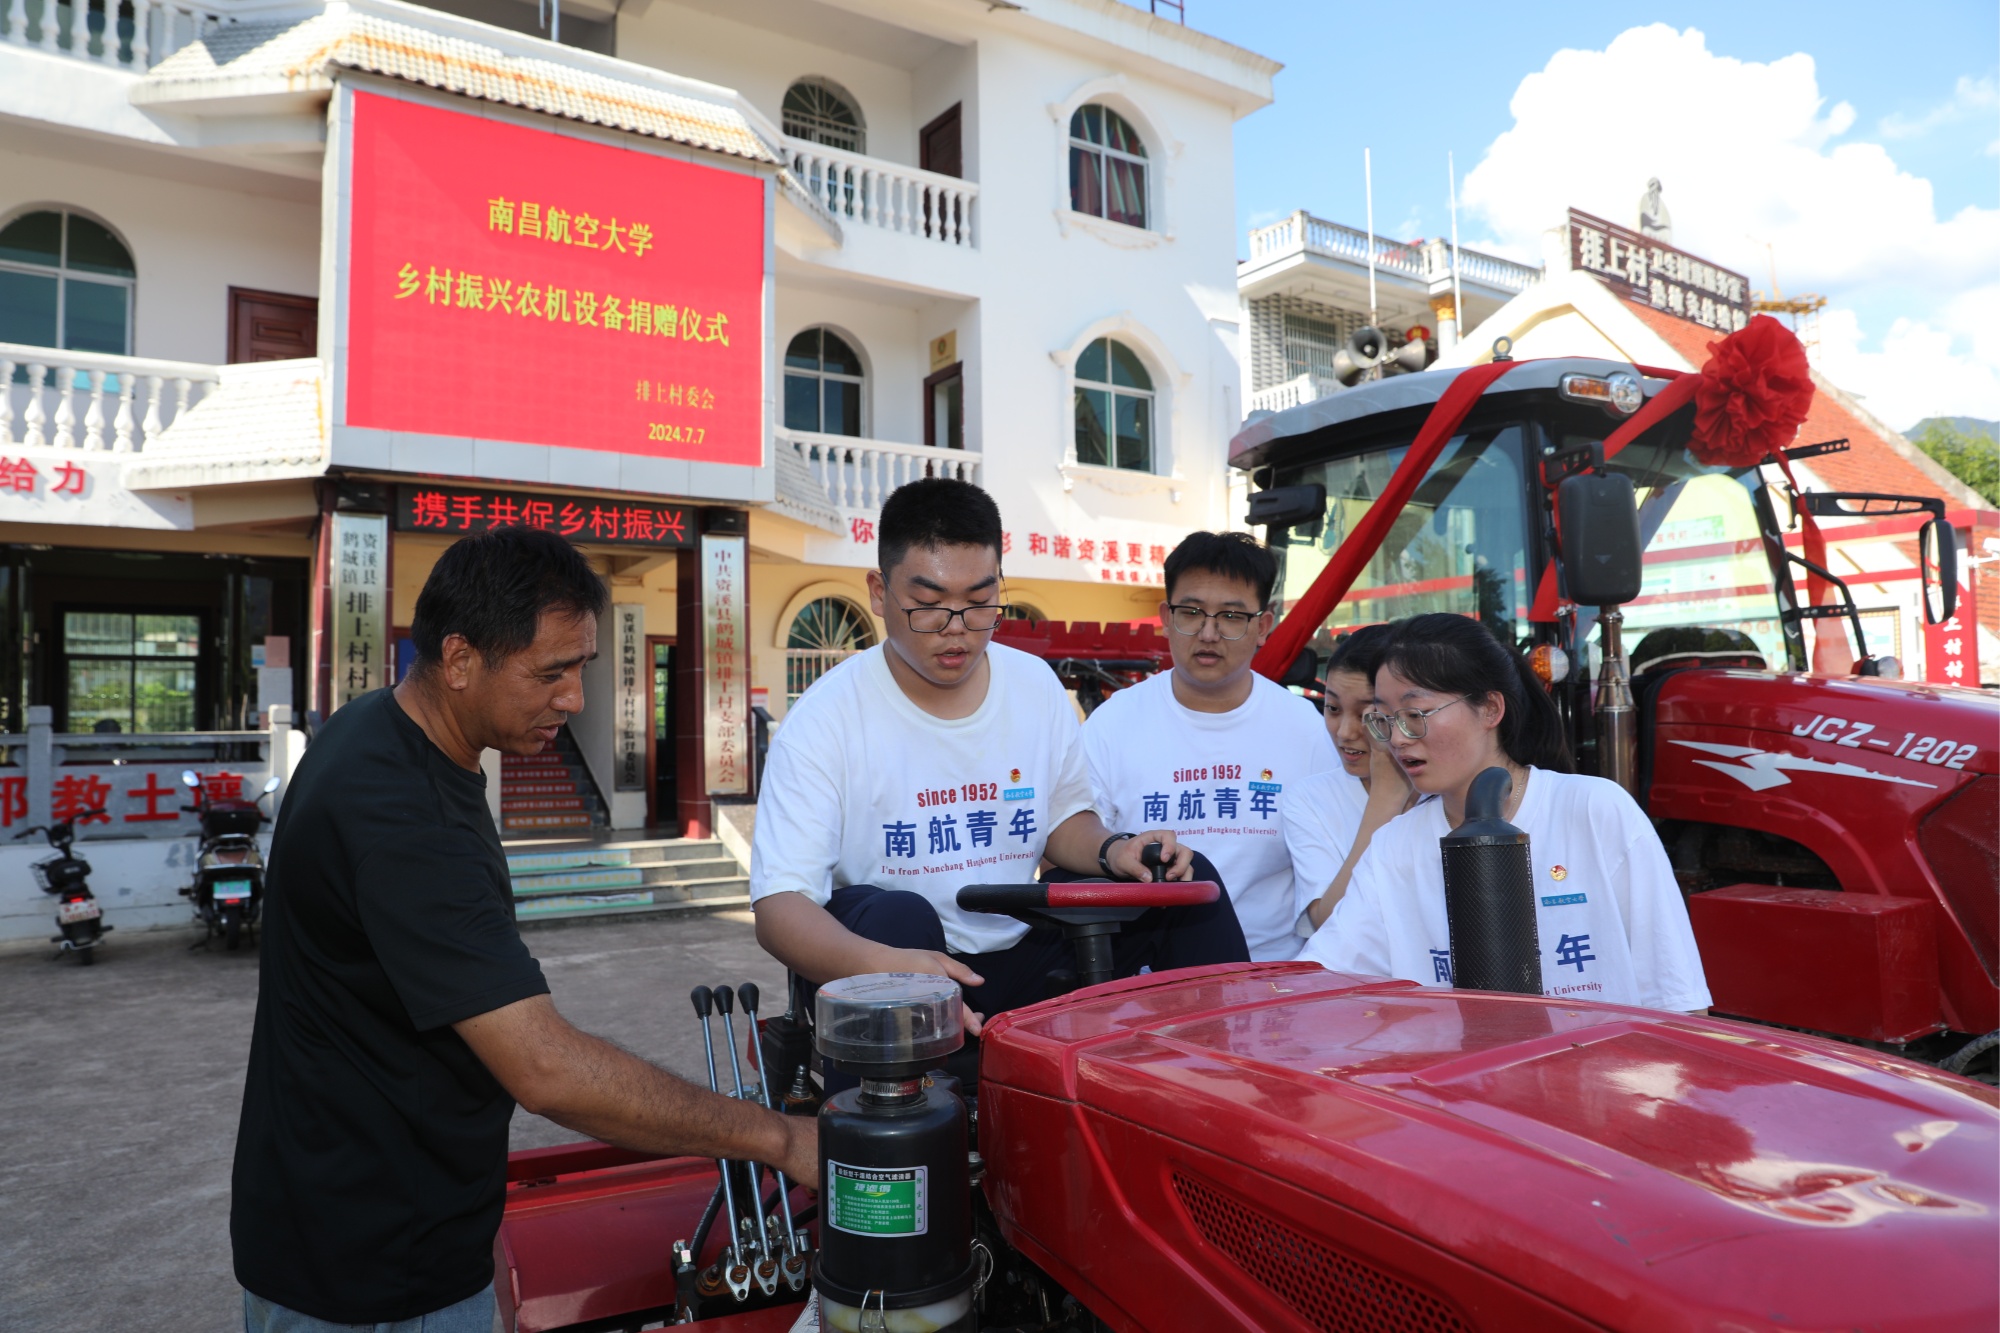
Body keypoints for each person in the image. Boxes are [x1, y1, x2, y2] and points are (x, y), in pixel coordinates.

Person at [232, 527, 815, 1333]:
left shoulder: (382, 731)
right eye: (552, 672)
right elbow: (545, 1069)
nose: (575, 698)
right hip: (369, 1272)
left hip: (355, 1224)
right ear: (461, 658)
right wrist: (779, 1137)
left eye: (581, 667)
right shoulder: (402, 817)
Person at [750, 479, 1248, 1035]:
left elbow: (1062, 823)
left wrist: (1115, 850)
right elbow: (780, 909)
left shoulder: (1033, 683)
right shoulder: (825, 720)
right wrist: (882, 964)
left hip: (1022, 948)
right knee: (898, 912)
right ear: (878, 591)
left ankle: (1228, 1077)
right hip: (894, 963)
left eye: (980, 603)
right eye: (929, 606)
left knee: (1182, 880)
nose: (957, 630)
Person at [1300, 613, 1711, 1013]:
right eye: (1385, 720)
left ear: (1490, 710)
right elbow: (1323, 981)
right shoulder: (1394, 847)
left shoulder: (1594, 810)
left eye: (1414, 716)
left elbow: (1677, 1000)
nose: (1396, 738)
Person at [1079, 531, 1338, 961]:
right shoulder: (1112, 724)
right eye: (1192, 612)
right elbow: (1074, 853)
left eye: (1232, 617)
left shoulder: (1305, 730)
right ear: (1166, 617)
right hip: (1149, 974)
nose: (1209, 633)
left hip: (1274, 976)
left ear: (1263, 627)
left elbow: (1333, 879)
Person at [1284, 622, 1414, 938]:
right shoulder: (1310, 799)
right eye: (1332, 708)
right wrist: (1385, 799)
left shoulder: (1448, 788)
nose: (1344, 732)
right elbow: (1326, 924)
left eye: (1365, 714)